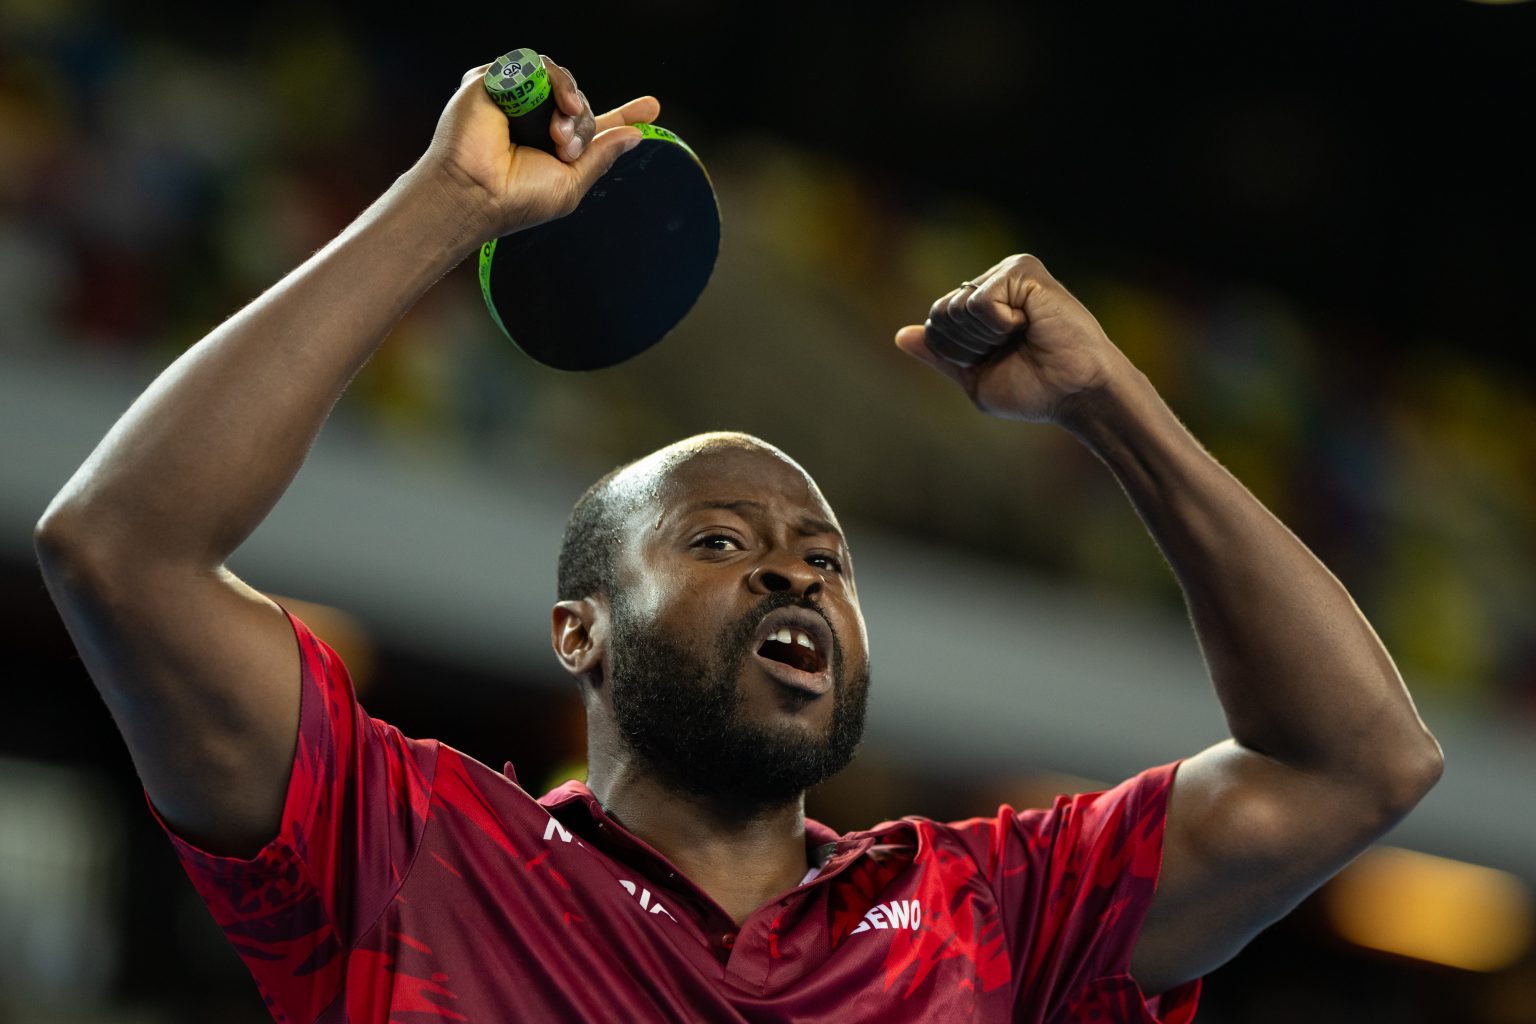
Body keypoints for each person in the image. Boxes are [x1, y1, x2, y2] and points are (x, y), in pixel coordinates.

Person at [34, 54, 1442, 1023]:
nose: (795, 570)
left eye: (828, 559)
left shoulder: (997, 916)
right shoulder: (405, 854)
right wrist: (444, 207)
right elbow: (121, 546)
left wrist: (1112, 404)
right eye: (718, 542)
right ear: (577, 630)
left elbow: (1361, 760)